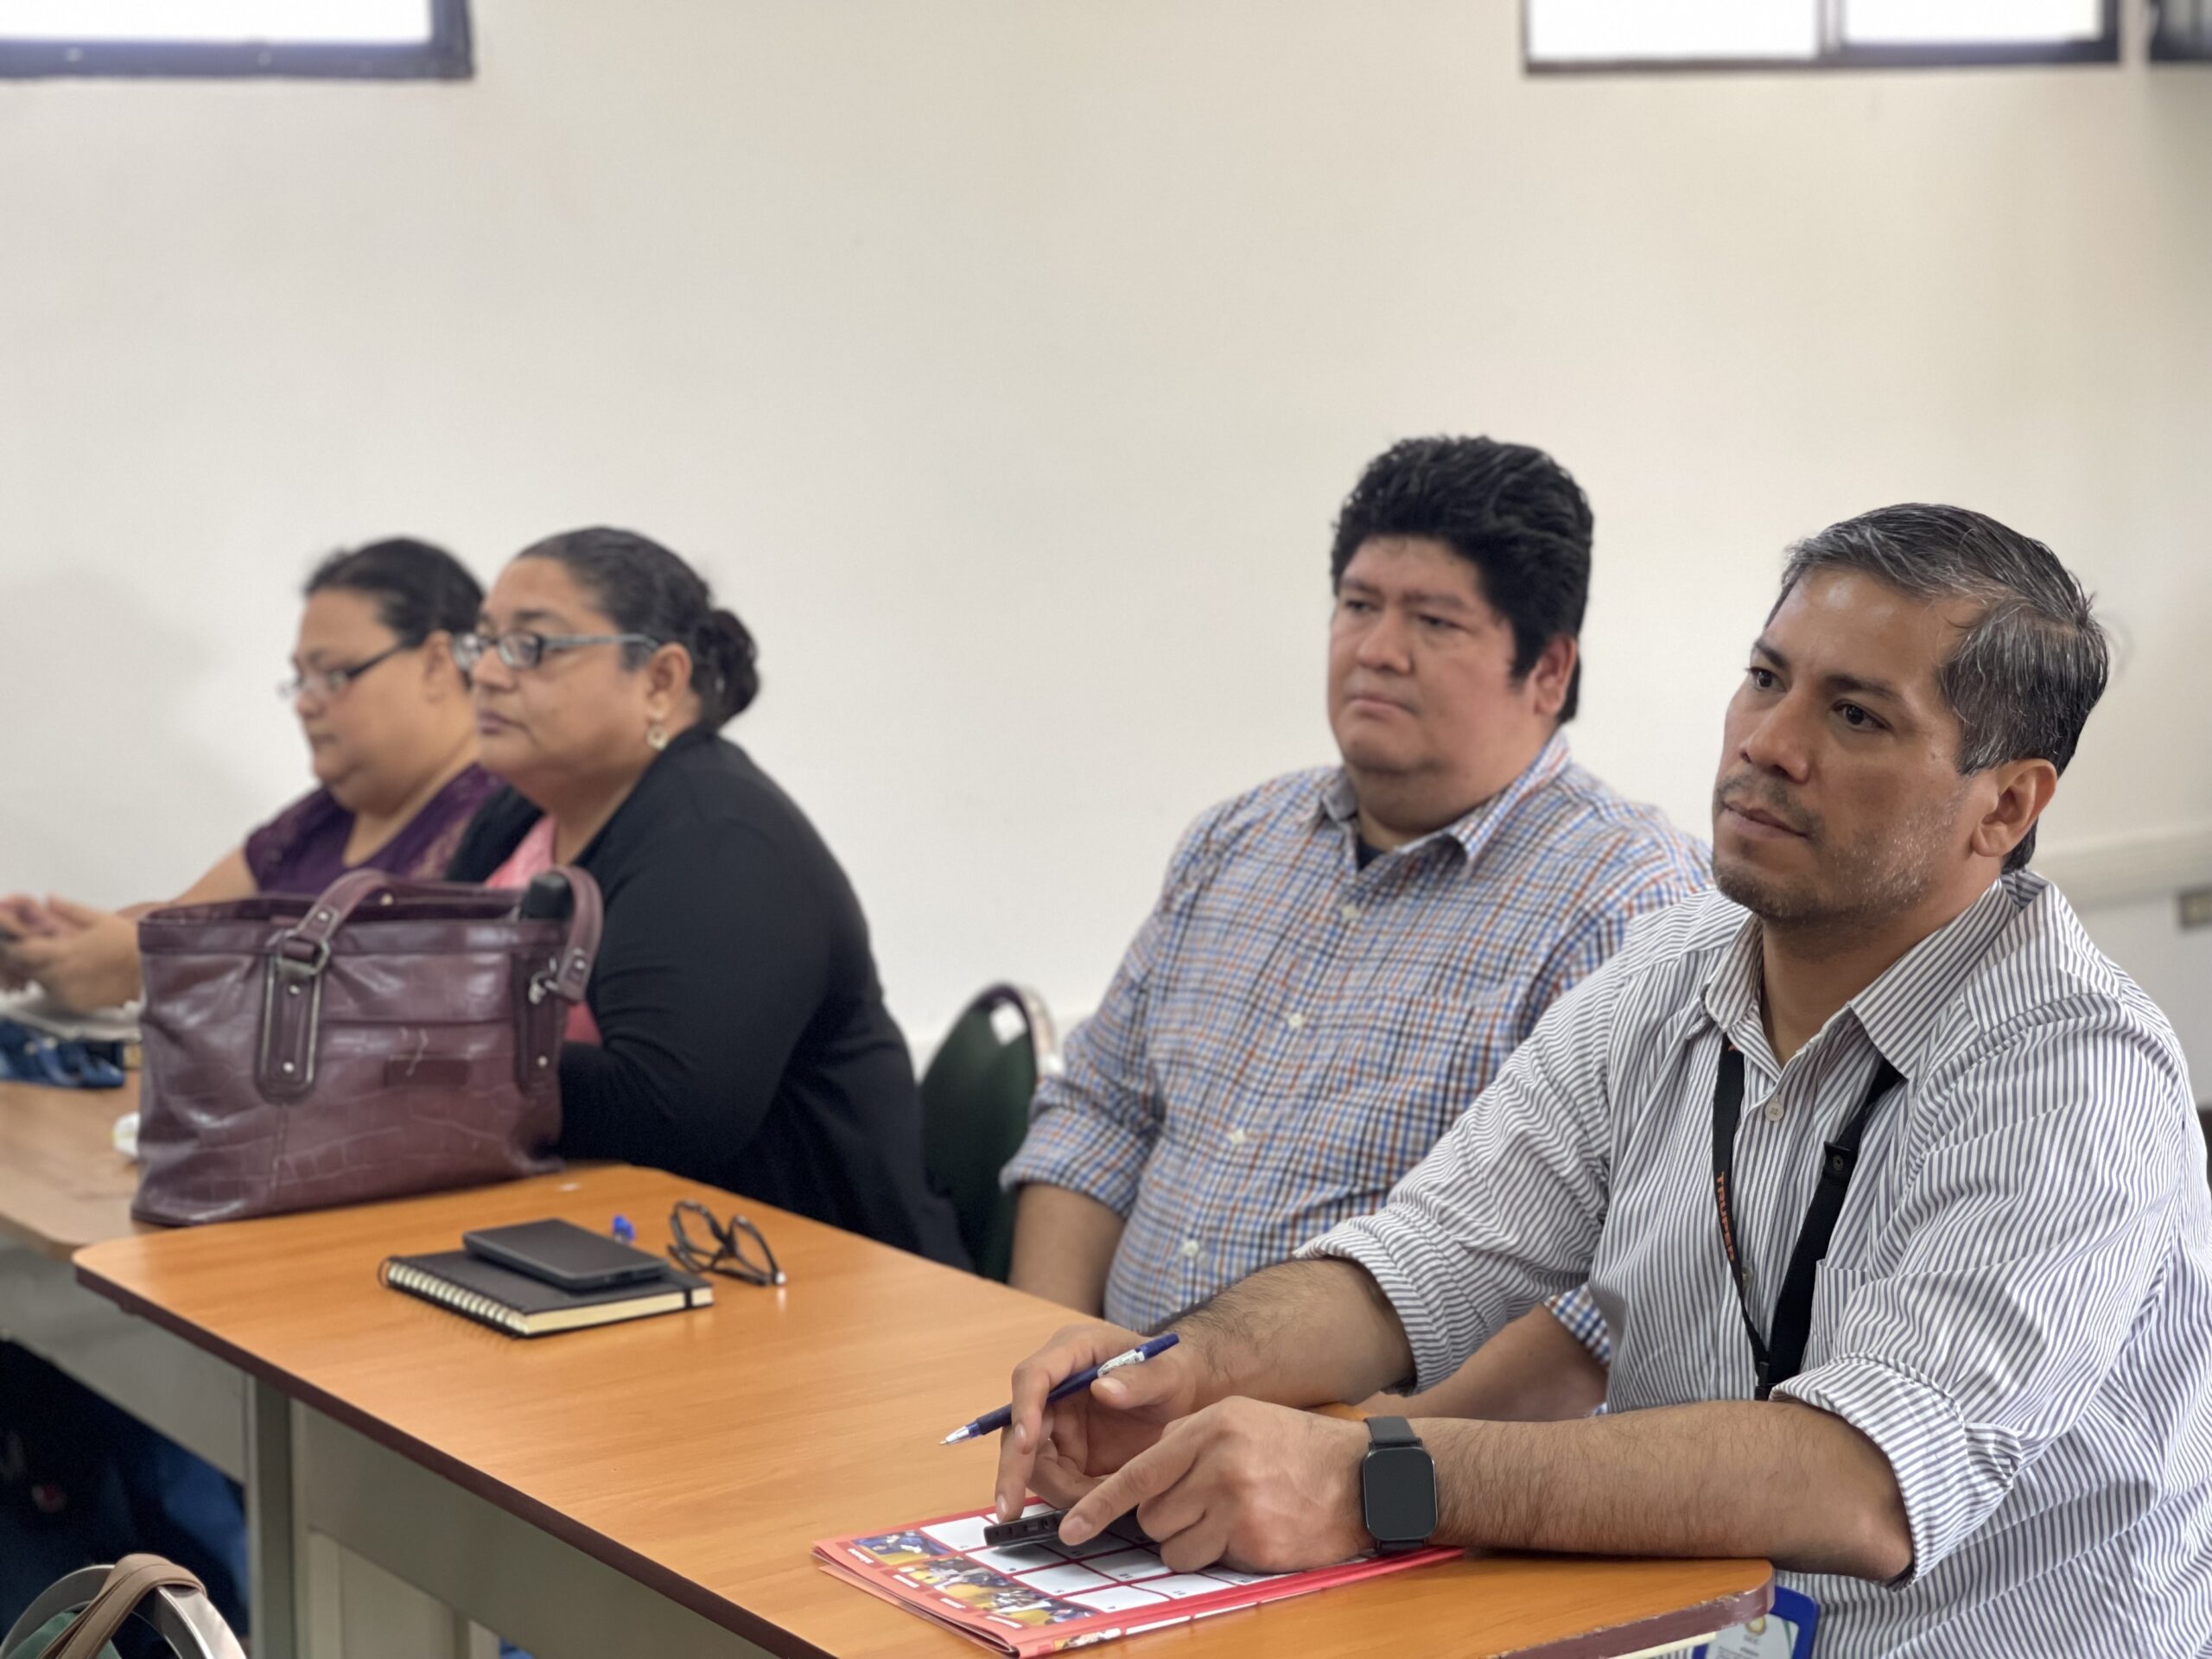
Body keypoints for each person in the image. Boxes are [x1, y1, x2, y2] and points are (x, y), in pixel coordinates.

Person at [991, 505, 2212, 1656]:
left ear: (2006, 804)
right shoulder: (1671, 971)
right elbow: (1422, 1260)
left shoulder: (2071, 1070)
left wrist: (1375, 1480)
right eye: (1767, 678)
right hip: (1686, 1630)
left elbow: (1863, 1485)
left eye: (1855, 717)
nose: (1767, 744)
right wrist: (1187, 1365)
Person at [1001, 436, 1707, 1358]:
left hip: (1355, 1439)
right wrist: (1050, 1354)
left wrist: (1347, 1440)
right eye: (1358, 605)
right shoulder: (1239, 838)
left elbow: (1599, 1297)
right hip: (1105, 1406)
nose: (1375, 651)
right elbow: (1099, 1115)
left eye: (1434, 622)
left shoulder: (1628, 906)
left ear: (1547, 671)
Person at [445, 527, 965, 1265]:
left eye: (531, 646)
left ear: (660, 680)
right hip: (584, 1245)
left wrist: (432, 1054)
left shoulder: (721, 838)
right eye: (484, 642)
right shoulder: (517, 813)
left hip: (803, 1276)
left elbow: (667, 1110)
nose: (489, 674)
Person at [0, 538, 493, 1010]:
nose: (305, 704)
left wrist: (149, 966)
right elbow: (186, 917)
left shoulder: (496, 824)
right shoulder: (322, 817)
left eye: (333, 675)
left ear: (436, 664)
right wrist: (60, 941)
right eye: (301, 679)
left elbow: (395, 999)